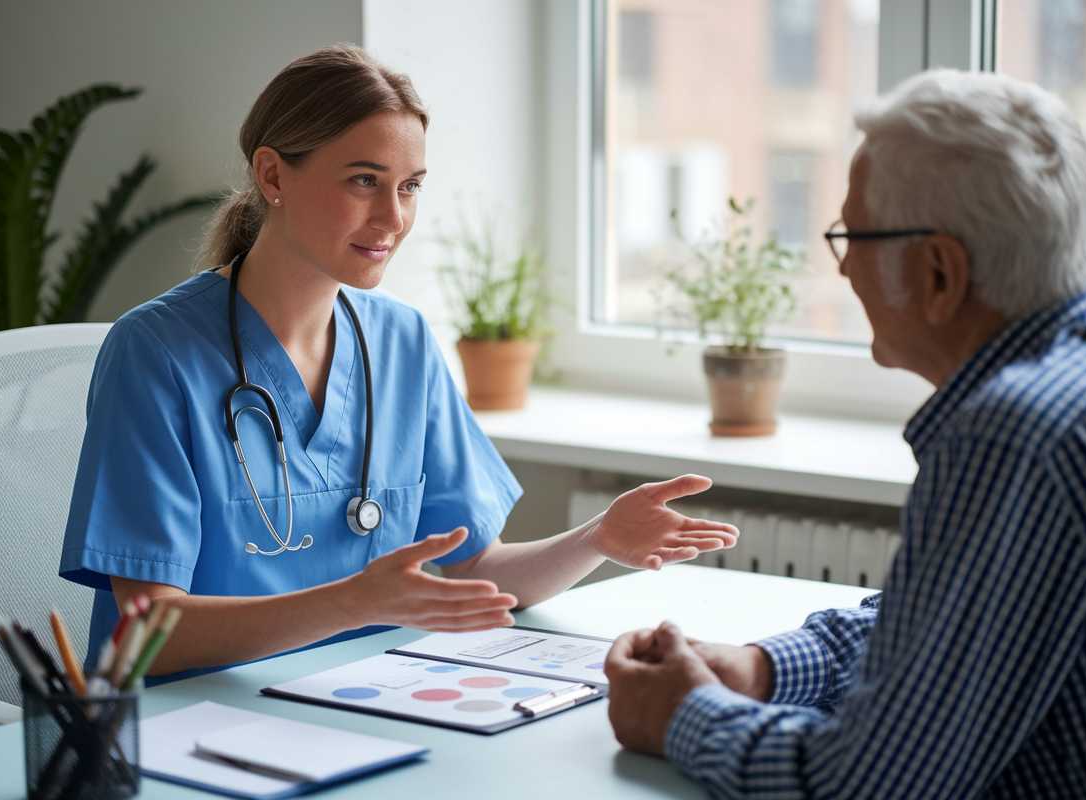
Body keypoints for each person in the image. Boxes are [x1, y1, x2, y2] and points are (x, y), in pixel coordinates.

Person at [59, 45, 737, 682]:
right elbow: (148, 635)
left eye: (410, 186)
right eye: (363, 181)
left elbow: (475, 568)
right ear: (272, 176)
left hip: (360, 703)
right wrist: (356, 602)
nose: (393, 217)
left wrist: (597, 536)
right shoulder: (156, 353)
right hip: (193, 727)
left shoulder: (402, 342)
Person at [604, 69, 1086, 798]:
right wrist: (766, 668)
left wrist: (681, 714)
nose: (842, 267)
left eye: (852, 236)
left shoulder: (1015, 435)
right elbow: (952, 627)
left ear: (938, 272)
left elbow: (868, 785)